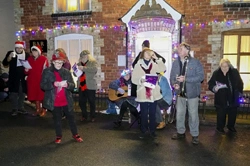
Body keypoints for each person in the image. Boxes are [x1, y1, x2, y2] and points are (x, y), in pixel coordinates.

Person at [40, 51, 83, 144]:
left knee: (71, 118)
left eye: (61, 62)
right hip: (54, 100)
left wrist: (67, 84)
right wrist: (52, 84)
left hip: (66, 99)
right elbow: (42, 85)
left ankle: (75, 134)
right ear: (52, 62)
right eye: (57, 62)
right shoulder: (47, 72)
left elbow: (73, 85)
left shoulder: (66, 72)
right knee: (57, 119)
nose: (59, 64)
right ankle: (58, 135)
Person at [170, 42, 204, 145]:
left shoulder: (195, 62)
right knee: (180, 113)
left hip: (192, 93)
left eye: (181, 48)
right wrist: (174, 84)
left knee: (193, 115)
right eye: (179, 48)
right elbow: (172, 76)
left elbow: (201, 77)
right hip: (180, 93)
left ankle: (194, 135)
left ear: (187, 50)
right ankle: (180, 132)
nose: (179, 50)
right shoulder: (175, 62)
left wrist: (186, 79)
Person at [132, 48, 166, 139]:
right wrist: (141, 80)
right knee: (143, 113)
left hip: (153, 92)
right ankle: (143, 130)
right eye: (147, 53)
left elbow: (163, 68)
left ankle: (152, 130)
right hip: (143, 92)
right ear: (143, 54)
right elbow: (133, 79)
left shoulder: (154, 64)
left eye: (150, 53)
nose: (149, 54)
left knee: (152, 112)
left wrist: (157, 58)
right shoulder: (137, 65)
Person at [208, 58, 243, 134]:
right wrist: (214, 88)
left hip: (233, 96)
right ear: (220, 66)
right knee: (221, 114)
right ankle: (220, 127)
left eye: (226, 66)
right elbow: (210, 84)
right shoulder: (216, 73)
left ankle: (231, 126)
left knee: (232, 113)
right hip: (221, 98)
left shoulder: (234, 72)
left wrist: (239, 92)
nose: (224, 68)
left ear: (229, 66)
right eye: (222, 66)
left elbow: (240, 83)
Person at [2, 41, 30, 116]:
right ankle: (14, 108)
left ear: (23, 48)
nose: (19, 49)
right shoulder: (11, 53)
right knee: (13, 93)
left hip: (23, 77)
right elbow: (5, 63)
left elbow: (30, 64)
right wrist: (9, 57)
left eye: (20, 48)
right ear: (15, 47)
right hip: (13, 77)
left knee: (22, 93)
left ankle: (21, 107)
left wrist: (28, 69)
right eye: (17, 48)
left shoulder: (26, 55)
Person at [25, 45, 49, 116]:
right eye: (33, 51)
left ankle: (44, 109)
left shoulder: (43, 59)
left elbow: (46, 70)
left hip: (40, 79)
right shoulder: (29, 59)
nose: (34, 53)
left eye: (35, 51)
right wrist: (26, 70)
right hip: (32, 80)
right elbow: (26, 72)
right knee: (35, 95)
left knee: (41, 95)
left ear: (38, 52)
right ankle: (38, 109)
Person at [77, 50, 98, 122]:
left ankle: (93, 116)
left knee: (91, 101)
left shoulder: (93, 62)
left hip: (90, 85)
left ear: (88, 56)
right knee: (81, 102)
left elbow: (94, 69)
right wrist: (75, 71)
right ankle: (84, 115)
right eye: (82, 56)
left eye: (85, 56)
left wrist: (83, 68)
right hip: (81, 85)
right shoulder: (79, 63)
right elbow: (75, 74)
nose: (84, 57)